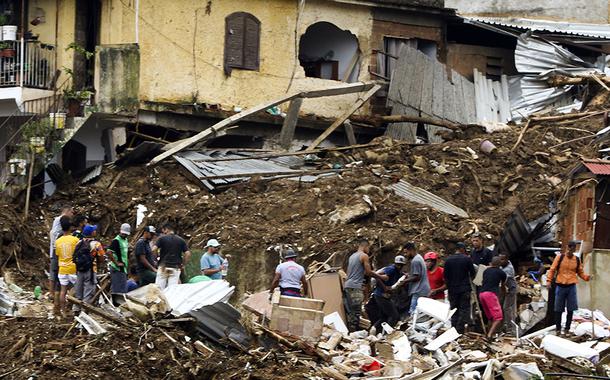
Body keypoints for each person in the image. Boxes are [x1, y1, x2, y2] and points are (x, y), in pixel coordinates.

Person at [547, 241, 592, 335]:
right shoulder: (560, 257)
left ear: (574, 249)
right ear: (567, 247)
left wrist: (587, 278)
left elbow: (580, 272)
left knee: (571, 308)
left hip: (571, 286)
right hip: (560, 285)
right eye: (569, 247)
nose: (570, 249)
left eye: (573, 248)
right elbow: (552, 269)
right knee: (558, 308)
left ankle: (567, 328)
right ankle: (558, 329)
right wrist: (548, 281)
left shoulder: (576, 259)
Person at [343, 239, 387, 332]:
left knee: (350, 313)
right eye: (368, 248)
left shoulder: (352, 256)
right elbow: (368, 272)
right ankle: (353, 335)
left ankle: (349, 334)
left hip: (347, 286)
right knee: (356, 313)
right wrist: (381, 277)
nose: (369, 250)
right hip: (355, 287)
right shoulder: (364, 256)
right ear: (365, 246)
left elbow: (349, 272)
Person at [443, 243, 476, 333]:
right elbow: (473, 274)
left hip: (452, 290)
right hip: (464, 289)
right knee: (464, 310)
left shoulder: (448, 260)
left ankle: (453, 330)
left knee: (454, 310)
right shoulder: (467, 259)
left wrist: (449, 287)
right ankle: (460, 330)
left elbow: (445, 277)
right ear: (462, 249)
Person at [73, 224, 105, 313]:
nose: (95, 231)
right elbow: (102, 257)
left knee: (78, 290)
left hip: (79, 269)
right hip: (91, 270)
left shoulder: (79, 243)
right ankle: (84, 311)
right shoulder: (96, 244)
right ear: (91, 233)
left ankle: (76, 309)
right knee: (88, 291)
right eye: (94, 230)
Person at [49, 205, 73, 314]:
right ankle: (65, 308)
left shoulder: (58, 239)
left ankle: (58, 308)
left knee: (60, 287)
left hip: (60, 263)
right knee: (70, 288)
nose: (72, 215)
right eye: (71, 212)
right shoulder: (74, 239)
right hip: (68, 267)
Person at [372, 255, 406, 331]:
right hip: (381, 295)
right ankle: (388, 334)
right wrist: (385, 288)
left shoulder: (397, 271)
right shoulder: (391, 269)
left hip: (382, 295)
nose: (399, 266)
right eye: (398, 264)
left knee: (384, 316)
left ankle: (374, 330)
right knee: (394, 315)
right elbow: (377, 276)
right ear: (395, 263)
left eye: (401, 265)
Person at [55, 216, 79, 316]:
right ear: (70, 228)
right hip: (73, 268)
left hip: (62, 269)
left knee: (62, 291)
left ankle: (63, 311)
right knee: (77, 289)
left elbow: (57, 255)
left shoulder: (58, 241)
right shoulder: (75, 240)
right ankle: (75, 309)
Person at [155, 223, 191, 289]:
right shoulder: (181, 240)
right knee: (172, 290)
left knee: (159, 289)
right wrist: (183, 264)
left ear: (166, 229)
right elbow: (188, 253)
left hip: (163, 266)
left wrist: (156, 257)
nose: (163, 233)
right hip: (175, 267)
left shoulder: (161, 239)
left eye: (164, 231)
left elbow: (153, 249)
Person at [479, 256, 507, 339]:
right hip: (490, 295)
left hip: (481, 294)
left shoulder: (486, 271)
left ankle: (487, 333)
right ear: (499, 264)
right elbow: (503, 286)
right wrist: (504, 293)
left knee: (490, 317)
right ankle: (489, 335)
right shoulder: (501, 273)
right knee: (498, 317)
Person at [402, 242, 431, 315]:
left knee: (413, 313)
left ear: (411, 250)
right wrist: (409, 275)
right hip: (423, 289)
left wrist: (404, 281)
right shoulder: (419, 257)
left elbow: (417, 277)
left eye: (406, 252)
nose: (405, 255)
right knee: (421, 313)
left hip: (418, 290)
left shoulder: (415, 260)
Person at [107, 223, 131, 302]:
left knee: (122, 289)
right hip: (117, 268)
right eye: (123, 234)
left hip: (122, 268)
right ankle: (116, 306)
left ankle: (119, 306)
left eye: (125, 234)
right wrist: (117, 263)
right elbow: (109, 252)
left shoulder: (125, 240)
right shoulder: (116, 240)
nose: (124, 235)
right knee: (117, 290)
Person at [499, 253, 517, 335]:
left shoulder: (508, 269)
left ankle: (510, 328)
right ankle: (504, 326)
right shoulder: (505, 264)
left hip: (510, 290)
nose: (500, 261)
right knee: (503, 308)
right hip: (504, 290)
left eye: (502, 259)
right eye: (500, 259)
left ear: (507, 259)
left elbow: (502, 279)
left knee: (506, 308)